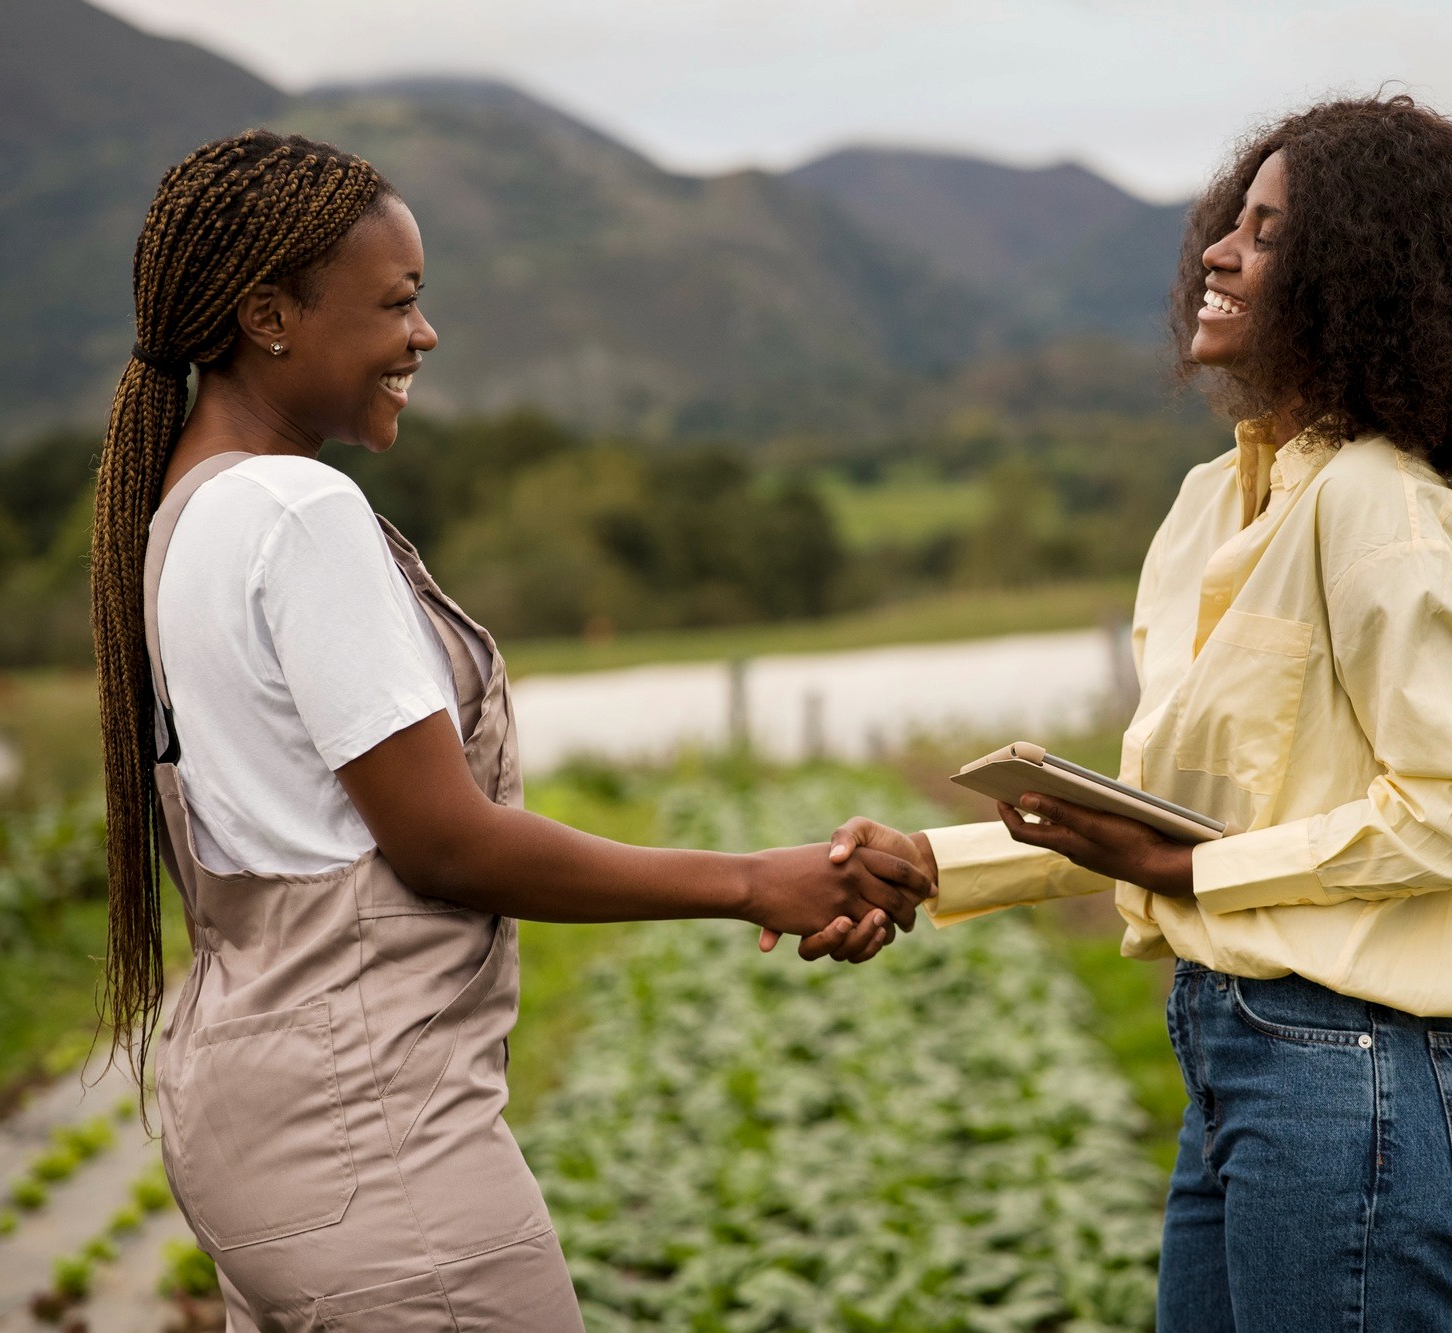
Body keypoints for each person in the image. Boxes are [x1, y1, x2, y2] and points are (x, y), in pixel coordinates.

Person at [89, 130, 933, 1331]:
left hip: (250, 1120)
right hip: (368, 1142)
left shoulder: (184, 511)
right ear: (268, 314)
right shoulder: (298, 507)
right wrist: (754, 877)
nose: (422, 336)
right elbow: (445, 844)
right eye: (398, 302)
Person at [836, 95, 1452, 1331]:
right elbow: (1187, 827)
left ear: (1365, 280)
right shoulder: (1206, 508)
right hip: (1241, 1066)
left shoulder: (1380, 508)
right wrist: (932, 864)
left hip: (1353, 1083)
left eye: (1268, 233)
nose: (1218, 253)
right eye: (1228, 222)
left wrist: (1195, 864)